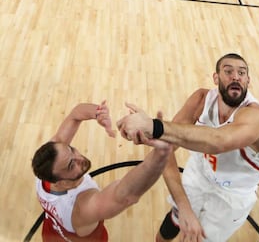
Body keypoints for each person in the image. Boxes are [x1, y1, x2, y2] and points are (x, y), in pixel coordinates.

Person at [116, 53, 259, 242]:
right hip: (199, 173)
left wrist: (154, 126)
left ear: (248, 80)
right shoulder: (201, 100)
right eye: (228, 71)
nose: (235, 76)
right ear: (215, 78)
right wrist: (184, 207)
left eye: (241, 73)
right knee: (174, 219)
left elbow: (218, 141)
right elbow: (166, 152)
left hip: (232, 196)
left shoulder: (256, 117)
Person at [32, 101, 171, 241]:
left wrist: (98, 113)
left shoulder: (46, 168)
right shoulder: (82, 208)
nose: (79, 157)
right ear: (62, 183)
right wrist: (161, 153)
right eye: (71, 165)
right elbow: (127, 195)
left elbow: (75, 114)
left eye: (71, 149)